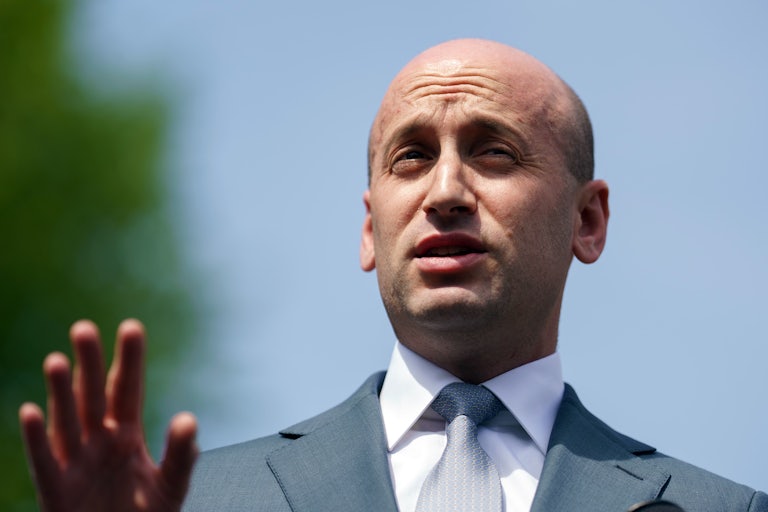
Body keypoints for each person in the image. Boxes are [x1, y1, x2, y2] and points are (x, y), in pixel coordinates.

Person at [19, 38, 766, 512]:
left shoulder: (718, 507)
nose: (445, 192)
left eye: (494, 151)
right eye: (411, 156)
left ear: (588, 221)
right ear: (371, 227)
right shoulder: (197, 501)